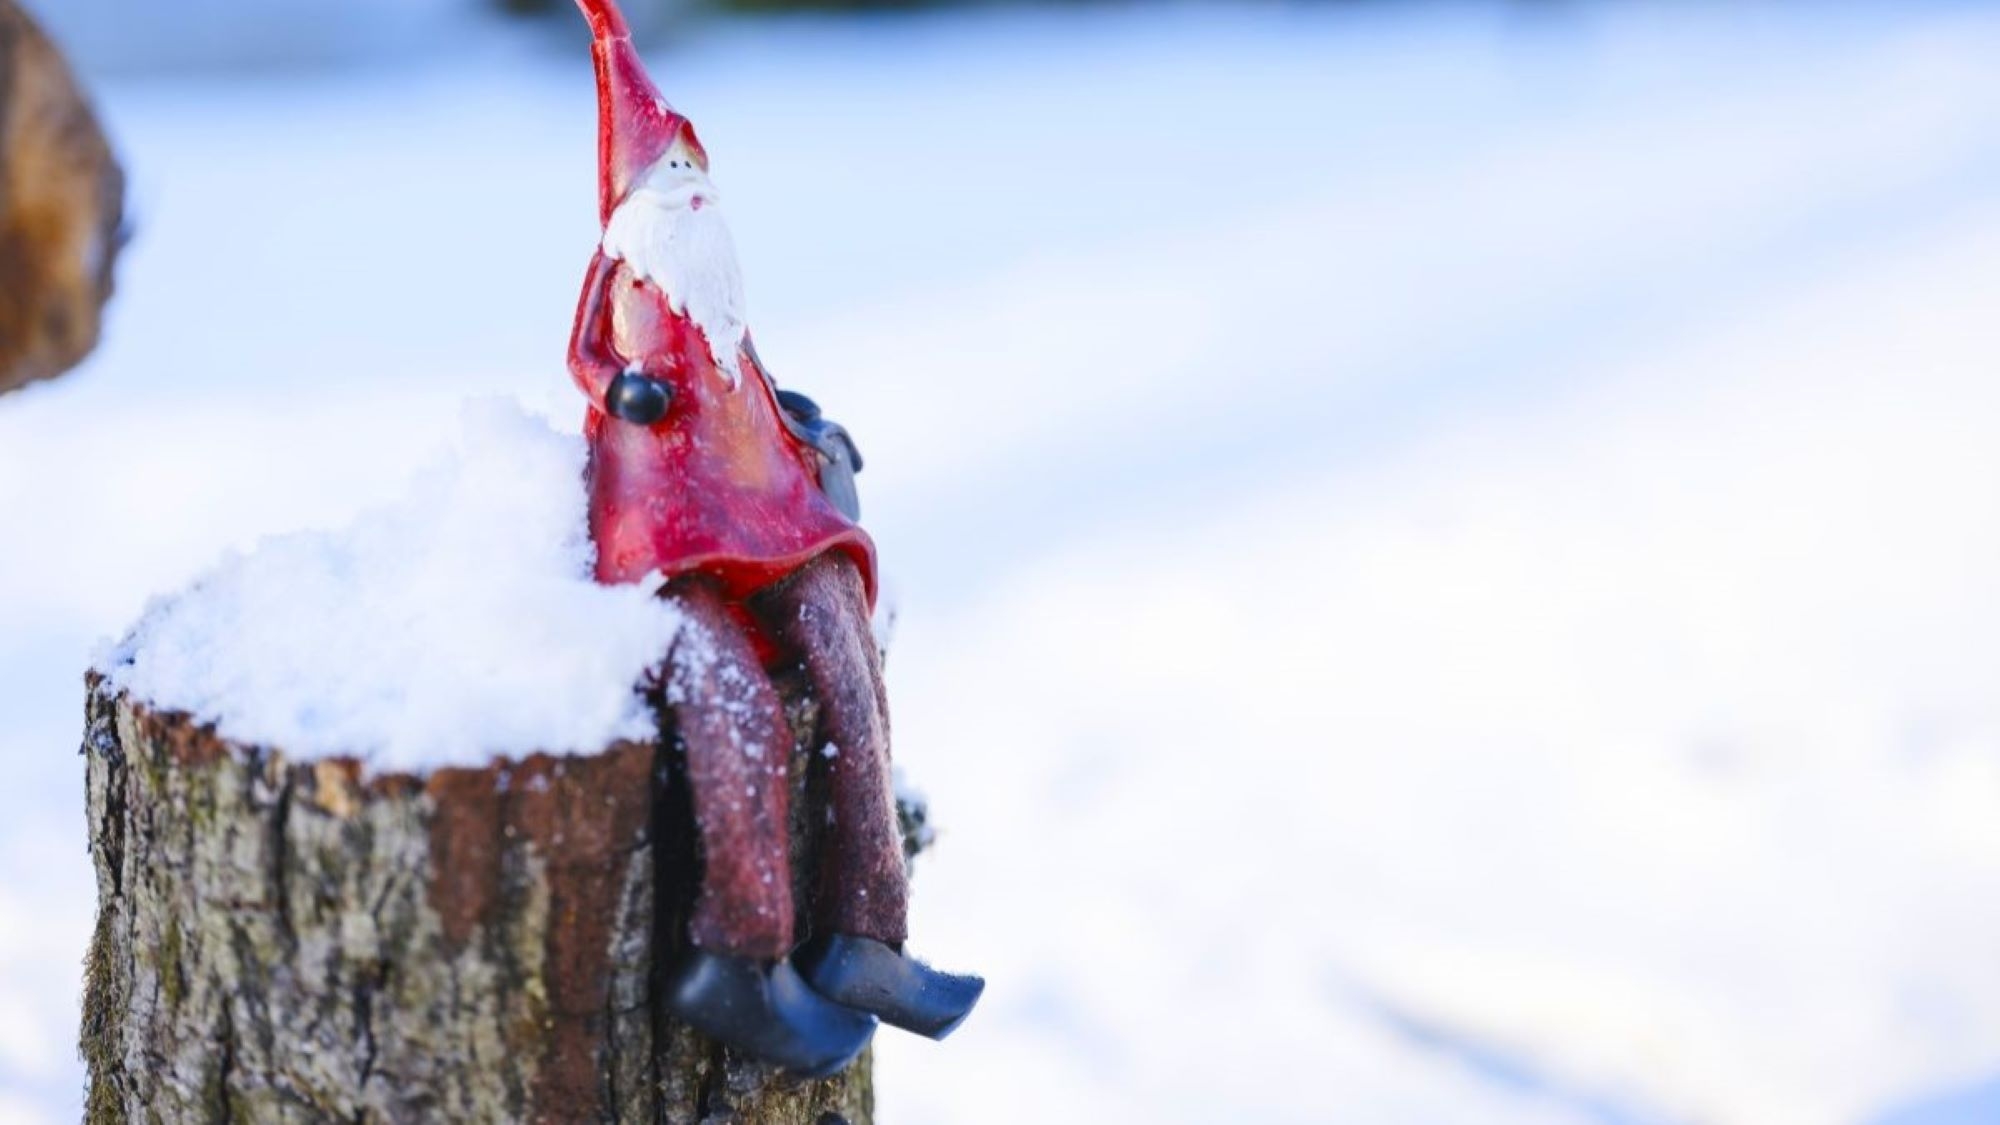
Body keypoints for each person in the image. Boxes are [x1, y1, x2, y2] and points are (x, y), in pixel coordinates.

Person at [566, 0, 982, 1077]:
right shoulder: (627, 278)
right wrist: (632, 391)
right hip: (668, 526)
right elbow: (588, 364)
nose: (689, 188)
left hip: (765, 509)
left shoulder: (713, 293)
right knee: (733, 702)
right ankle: (736, 957)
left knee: (841, 656)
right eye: (669, 175)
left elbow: (750, 389)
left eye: (695, 170)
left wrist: (802, 426)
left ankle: (863, 935)